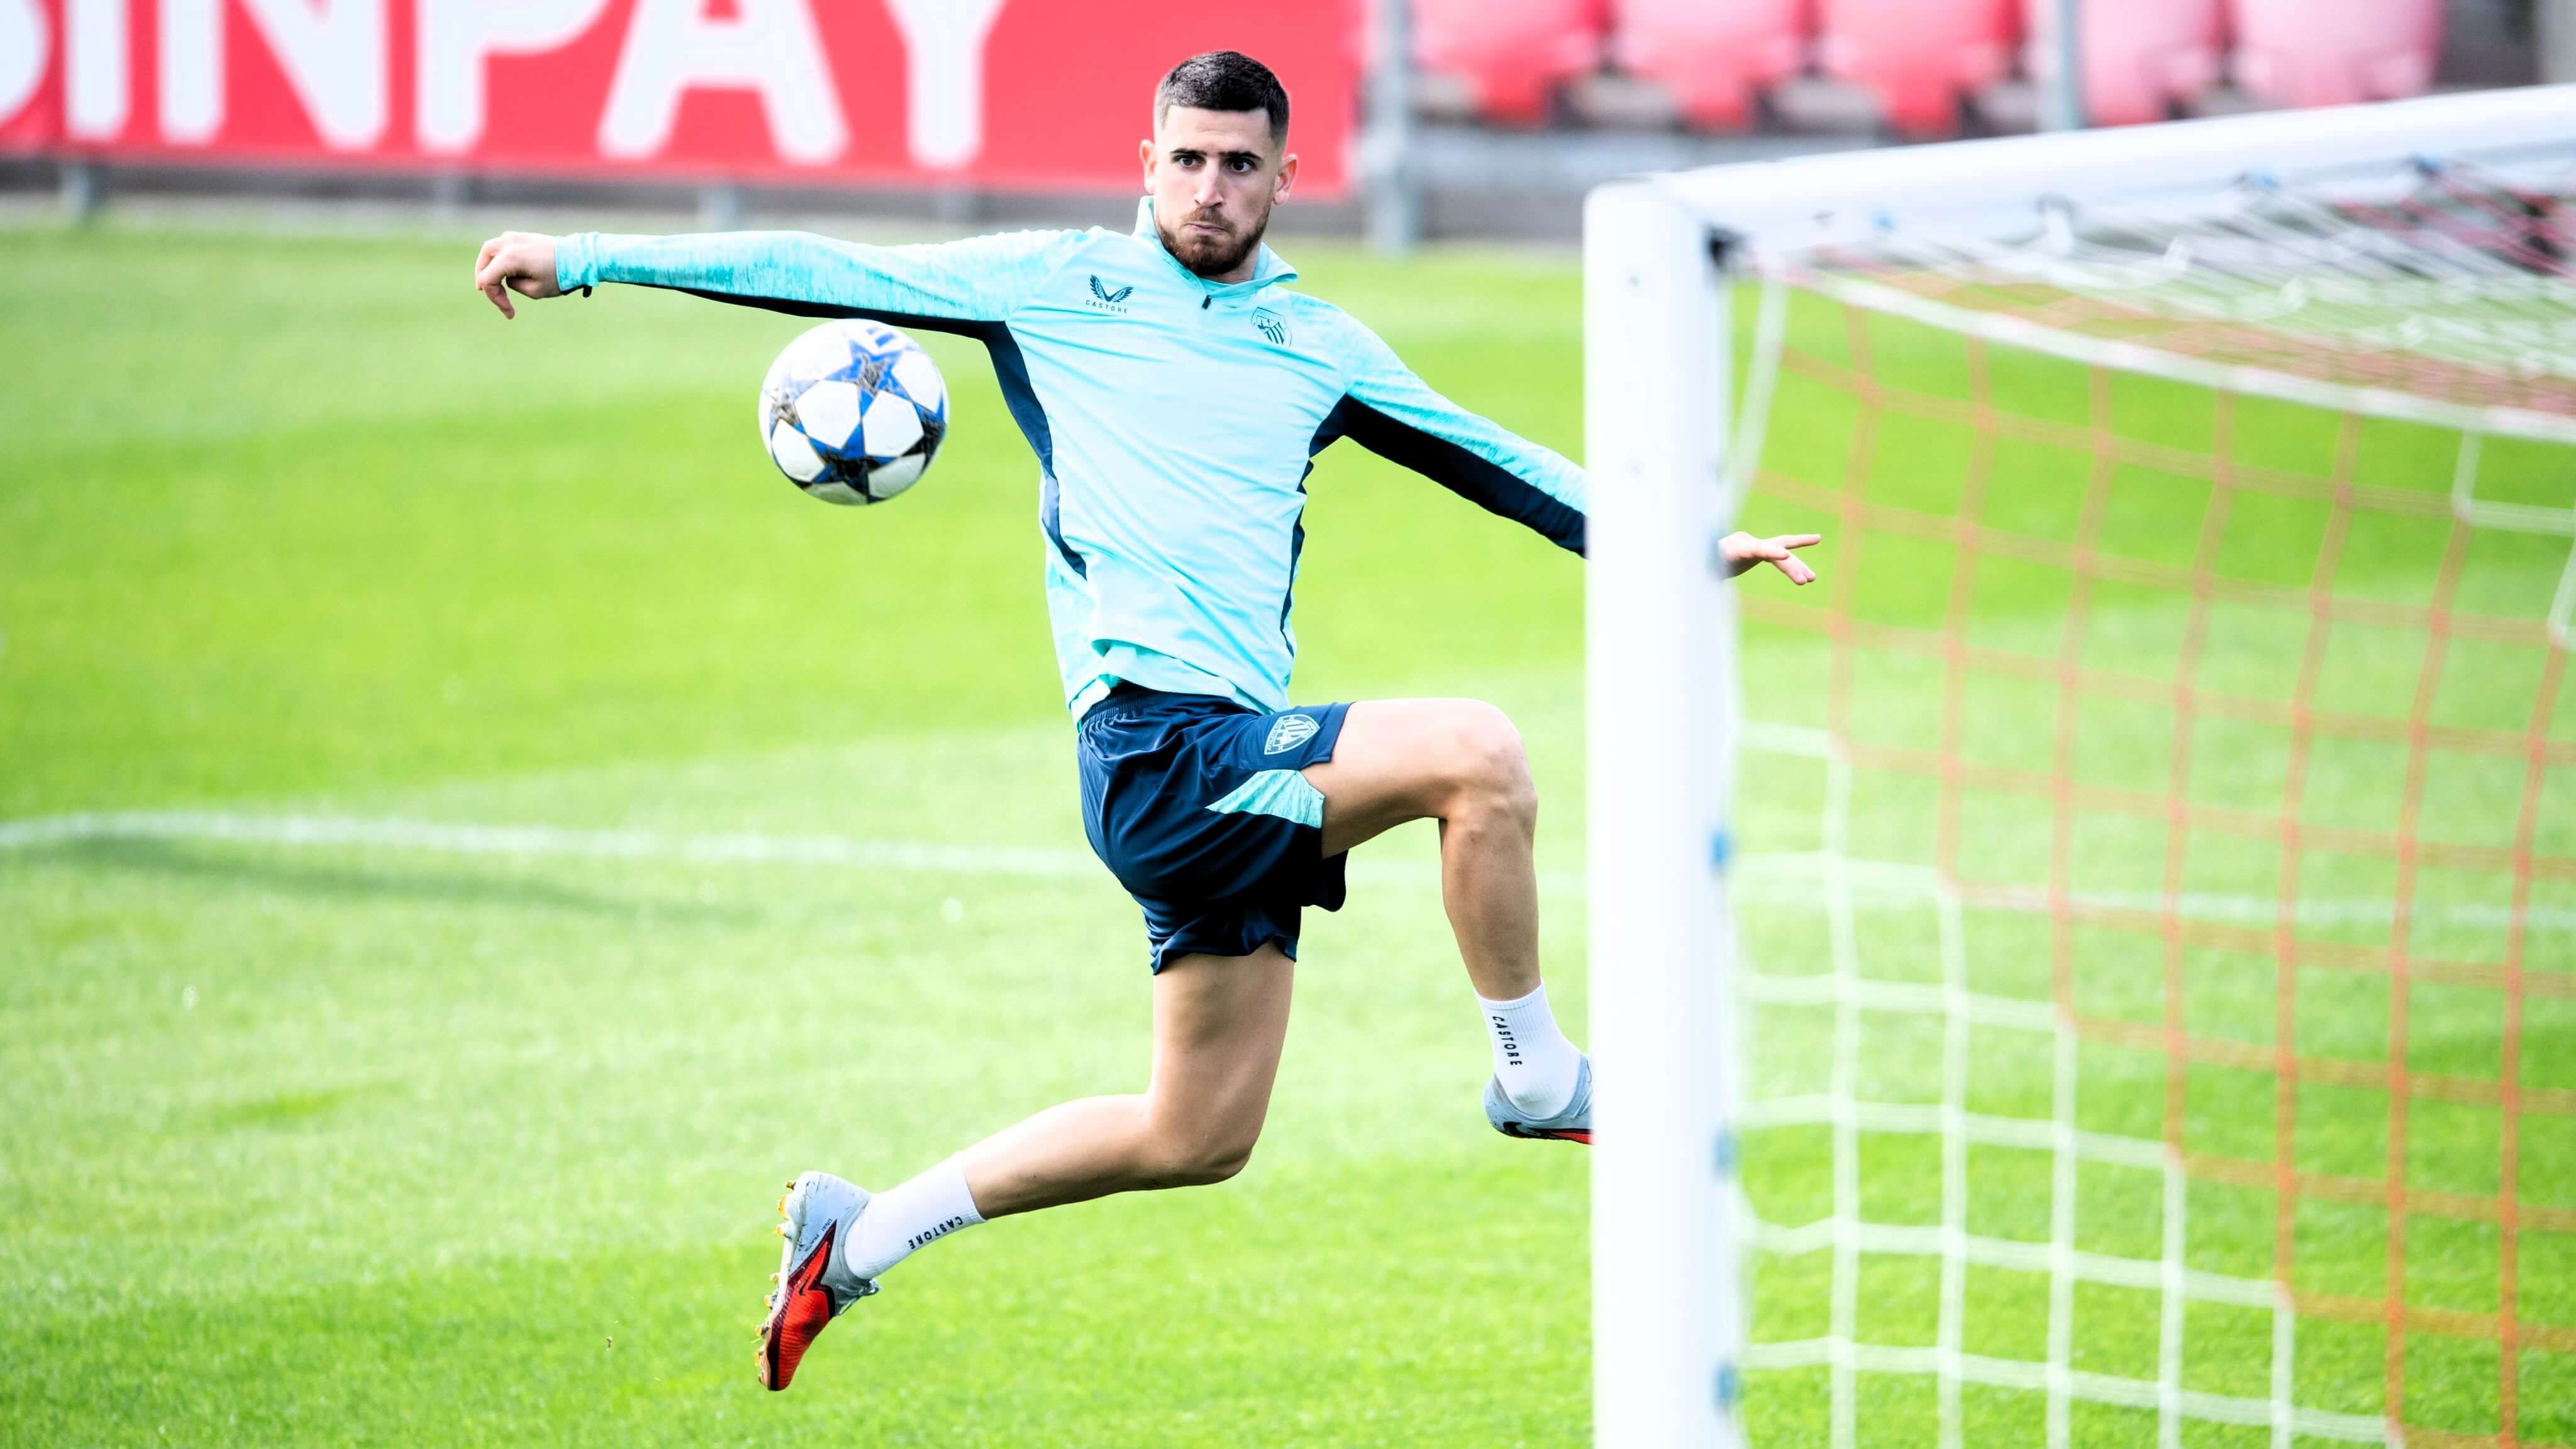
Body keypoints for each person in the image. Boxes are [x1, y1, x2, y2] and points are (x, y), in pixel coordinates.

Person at [472, 49, 1819, 1392]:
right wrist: (582, 254)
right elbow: (826, 268)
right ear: (1146, 164)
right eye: (1187, 160)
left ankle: (860, 1236)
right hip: (1155, 754)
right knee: (1477, 757)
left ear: (1287, 177)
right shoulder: (1057, 286)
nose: (1211, 189)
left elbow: (1492, 462)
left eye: (1241, 165)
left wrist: (1683, 543)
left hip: (1229, 760)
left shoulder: (1317, 344)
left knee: (1195, 1134)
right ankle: (1536, 1078)